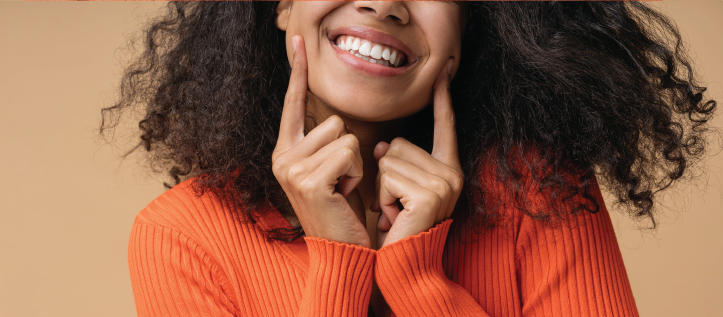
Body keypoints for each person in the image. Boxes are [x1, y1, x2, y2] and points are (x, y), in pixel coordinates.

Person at [102, 2, 717, 316]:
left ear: (467, 37)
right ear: (283, 4)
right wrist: (338, 263)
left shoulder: (540, 190)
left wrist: (420, 282)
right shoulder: (182, 235)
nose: (385, 3)